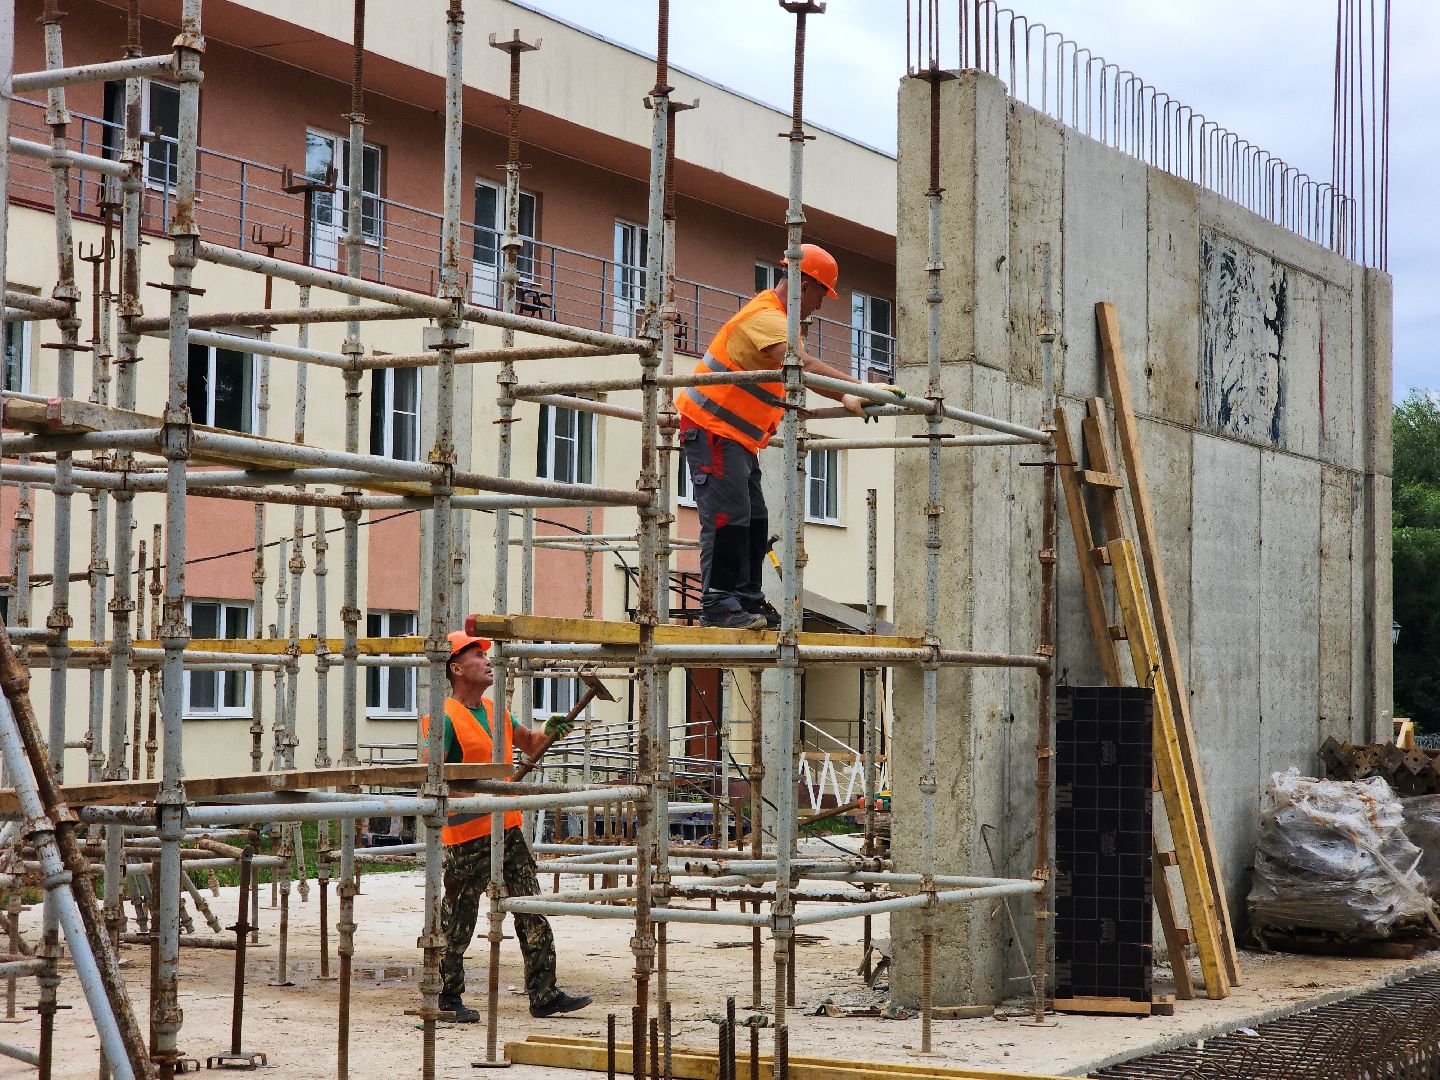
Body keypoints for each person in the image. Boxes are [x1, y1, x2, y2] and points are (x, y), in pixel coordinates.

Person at [675, 243, 904, 628]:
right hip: (712, 430)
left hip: (736, 439)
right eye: (821, 294)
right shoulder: (765, 317)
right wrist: (863, 389)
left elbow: (802, 373)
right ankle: (718, 604)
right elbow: (805, 365)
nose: (820, 305)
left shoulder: (780, 321)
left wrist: (849, 397)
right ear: (803, 283)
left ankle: (745, 599)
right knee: (728, 515)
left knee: (755, 517)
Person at [421, 630, 592, 1023]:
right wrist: (476, 800)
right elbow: (432, 777)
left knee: (530, 906)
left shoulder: (494, 711)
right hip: (467, 833)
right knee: (459, 917)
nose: (487, 660)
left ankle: (544, 993)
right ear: (457, 667)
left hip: (507, 826)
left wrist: (551, 729)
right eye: (479, 655)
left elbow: (530, 743)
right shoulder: (443, 718)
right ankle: (446, 996)